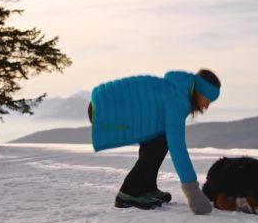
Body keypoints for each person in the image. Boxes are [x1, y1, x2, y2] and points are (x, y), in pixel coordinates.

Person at [87, 69, 220, 215]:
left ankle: (146, 187)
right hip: (104, 110)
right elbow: (178, 148)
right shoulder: (177, 99)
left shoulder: (177, 91)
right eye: (207, 100)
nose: (206, 106)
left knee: (157, 139)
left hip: (104, 104)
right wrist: (193, 193)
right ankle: (129, 192)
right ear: (198, 92)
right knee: (160, 141)